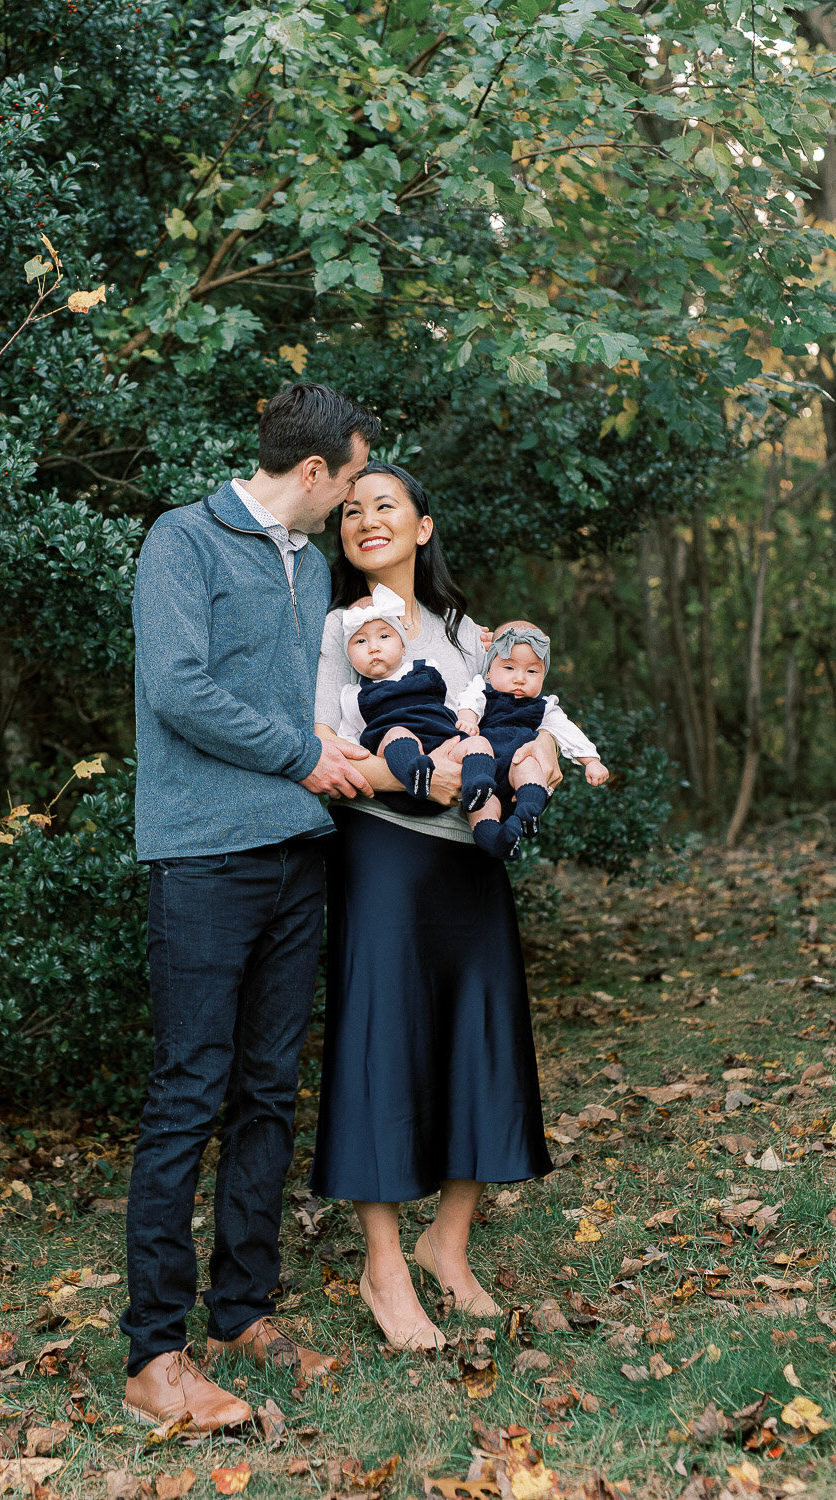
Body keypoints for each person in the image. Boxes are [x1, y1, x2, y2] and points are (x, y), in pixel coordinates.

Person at [121, 383, 381, 1430]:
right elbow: (179, 688)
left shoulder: (311, 563)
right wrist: (305, 755)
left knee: (270, 1092)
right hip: (203, 856)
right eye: (353, 478)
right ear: (313, 472)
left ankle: (241, 1312)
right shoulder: (181, 541)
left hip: (294, 854)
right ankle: (154, 1356)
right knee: (189, 1094)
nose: (358, 499)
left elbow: (301, 703)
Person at [310, 460, 559, 1352]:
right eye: (350, 510)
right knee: (383, 1043)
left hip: (474, 861)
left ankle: (446, 1245)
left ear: (421, 526)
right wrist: (419, 774)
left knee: (481, 1037)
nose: (366, 520)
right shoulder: (334, 626)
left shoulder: (466, 630)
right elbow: (320, 751)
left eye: (386, 506)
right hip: (384, 850)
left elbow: (513, 715)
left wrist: (537, 757)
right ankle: (382, 1267)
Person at [455, 619, 610, 861]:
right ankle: (498, 841)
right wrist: (468, 719)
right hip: (486, 770)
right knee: (482, 809)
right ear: (489, 670)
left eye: (532, 671)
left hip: (517, 771)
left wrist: (591, 760)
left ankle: (528, 812)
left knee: (528, 763)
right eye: (509, 668)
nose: (520, 679)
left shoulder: (543, 707)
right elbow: (469, 701)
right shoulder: (483, 691)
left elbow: (566, 730)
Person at [336, 583, 497, 814]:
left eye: (384, 636)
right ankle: (416, 773)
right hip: (400, 777)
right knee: (397, 732)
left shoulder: (427, 668)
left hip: (444, 745)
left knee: (478, 743)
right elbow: (348, 739)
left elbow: (448, 704)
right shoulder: (354, 696)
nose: (373, 647)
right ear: (349, 657)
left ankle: (476, 785)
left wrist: (466, 718)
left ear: (403, 646)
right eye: (360, 641)